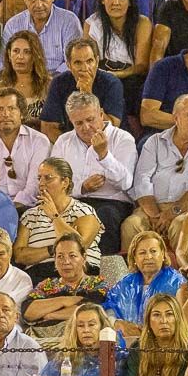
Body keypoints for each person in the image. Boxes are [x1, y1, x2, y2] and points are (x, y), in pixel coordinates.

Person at [48, 91, 136, 256]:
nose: (86, 127)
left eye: (90, 120)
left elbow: (126, 183)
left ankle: (100, 274)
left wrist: (104, 155)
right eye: (78, 123)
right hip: (72, 201)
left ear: (101, 114)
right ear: (71, 121)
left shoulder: (123, 138)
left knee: (104, 216)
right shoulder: (64, 141)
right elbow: (53, 181)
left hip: (111, 203)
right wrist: (81, 187)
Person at [126, 94, 188, 249]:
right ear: (176, 118)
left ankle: (179, 273)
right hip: (152, 207)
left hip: (187, 209)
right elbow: (142, 180)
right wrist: (155, 216)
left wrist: (171, 213)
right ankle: (132, 273)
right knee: (131, 225)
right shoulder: (155, 141)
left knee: (180, 225)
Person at [12, 157, 103, 286]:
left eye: (48, 178)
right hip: (39, 276)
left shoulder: (84, 211)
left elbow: (80, 246)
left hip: (80, 274)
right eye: (39, 178)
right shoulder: (29, 216)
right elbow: (20, 256)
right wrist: (52, 249)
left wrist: (54, 217)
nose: (41, 183)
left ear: (65, 182)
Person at [82, 0, 151, 124]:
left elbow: (142, 66)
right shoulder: (92, 23)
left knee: (121, 89)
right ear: (102, 0)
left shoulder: (142, 23)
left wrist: (117, 75)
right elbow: (89, 60)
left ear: (130, 1)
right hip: (102, 76)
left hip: (131, 78)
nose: (116, 3)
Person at [0, 85, 51, 208]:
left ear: (22, 113)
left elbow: (35, 184)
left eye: (12, 108)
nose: (6, 114)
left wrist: (13, 207)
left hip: (29, 207)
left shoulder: (39, 141)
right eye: (0, 109)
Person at [21, 233, 110, 343]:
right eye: (60, 256)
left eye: (72, 256)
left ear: (84, 258)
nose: (66, 262)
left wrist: (51, 315)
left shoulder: (97, 283)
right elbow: (28, 312)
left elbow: (89, 310)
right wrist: (65, 301)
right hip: (41, 341)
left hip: (78, 341)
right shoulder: (46, 285)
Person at [40, 35, 124, 142]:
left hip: (108, 143)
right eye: (78, 63)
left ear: (97, 61)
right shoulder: (58, 83)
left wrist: (87, 93)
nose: (84, 68)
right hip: (70, 146)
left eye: (89, 61)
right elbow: (48, 127)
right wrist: (74, 147)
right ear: (68, 65)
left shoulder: (112, 83)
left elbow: (112, 127)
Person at [105, 230, 185, 340]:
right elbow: (108, 308)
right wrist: (117, 323)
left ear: (163, 254)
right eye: (142, 253)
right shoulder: (125, 284)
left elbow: (183, 319)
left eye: (153, 251)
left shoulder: (177, 282)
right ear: (135, 258)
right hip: (126, 345)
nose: (148, 257)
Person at [0, 0, 82, 77]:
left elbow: (73, 60)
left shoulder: (69, 21)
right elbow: (2, 63)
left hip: (57, 81)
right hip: (20, 81)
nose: (38, 5)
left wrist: (51, 81)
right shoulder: (13, 25)